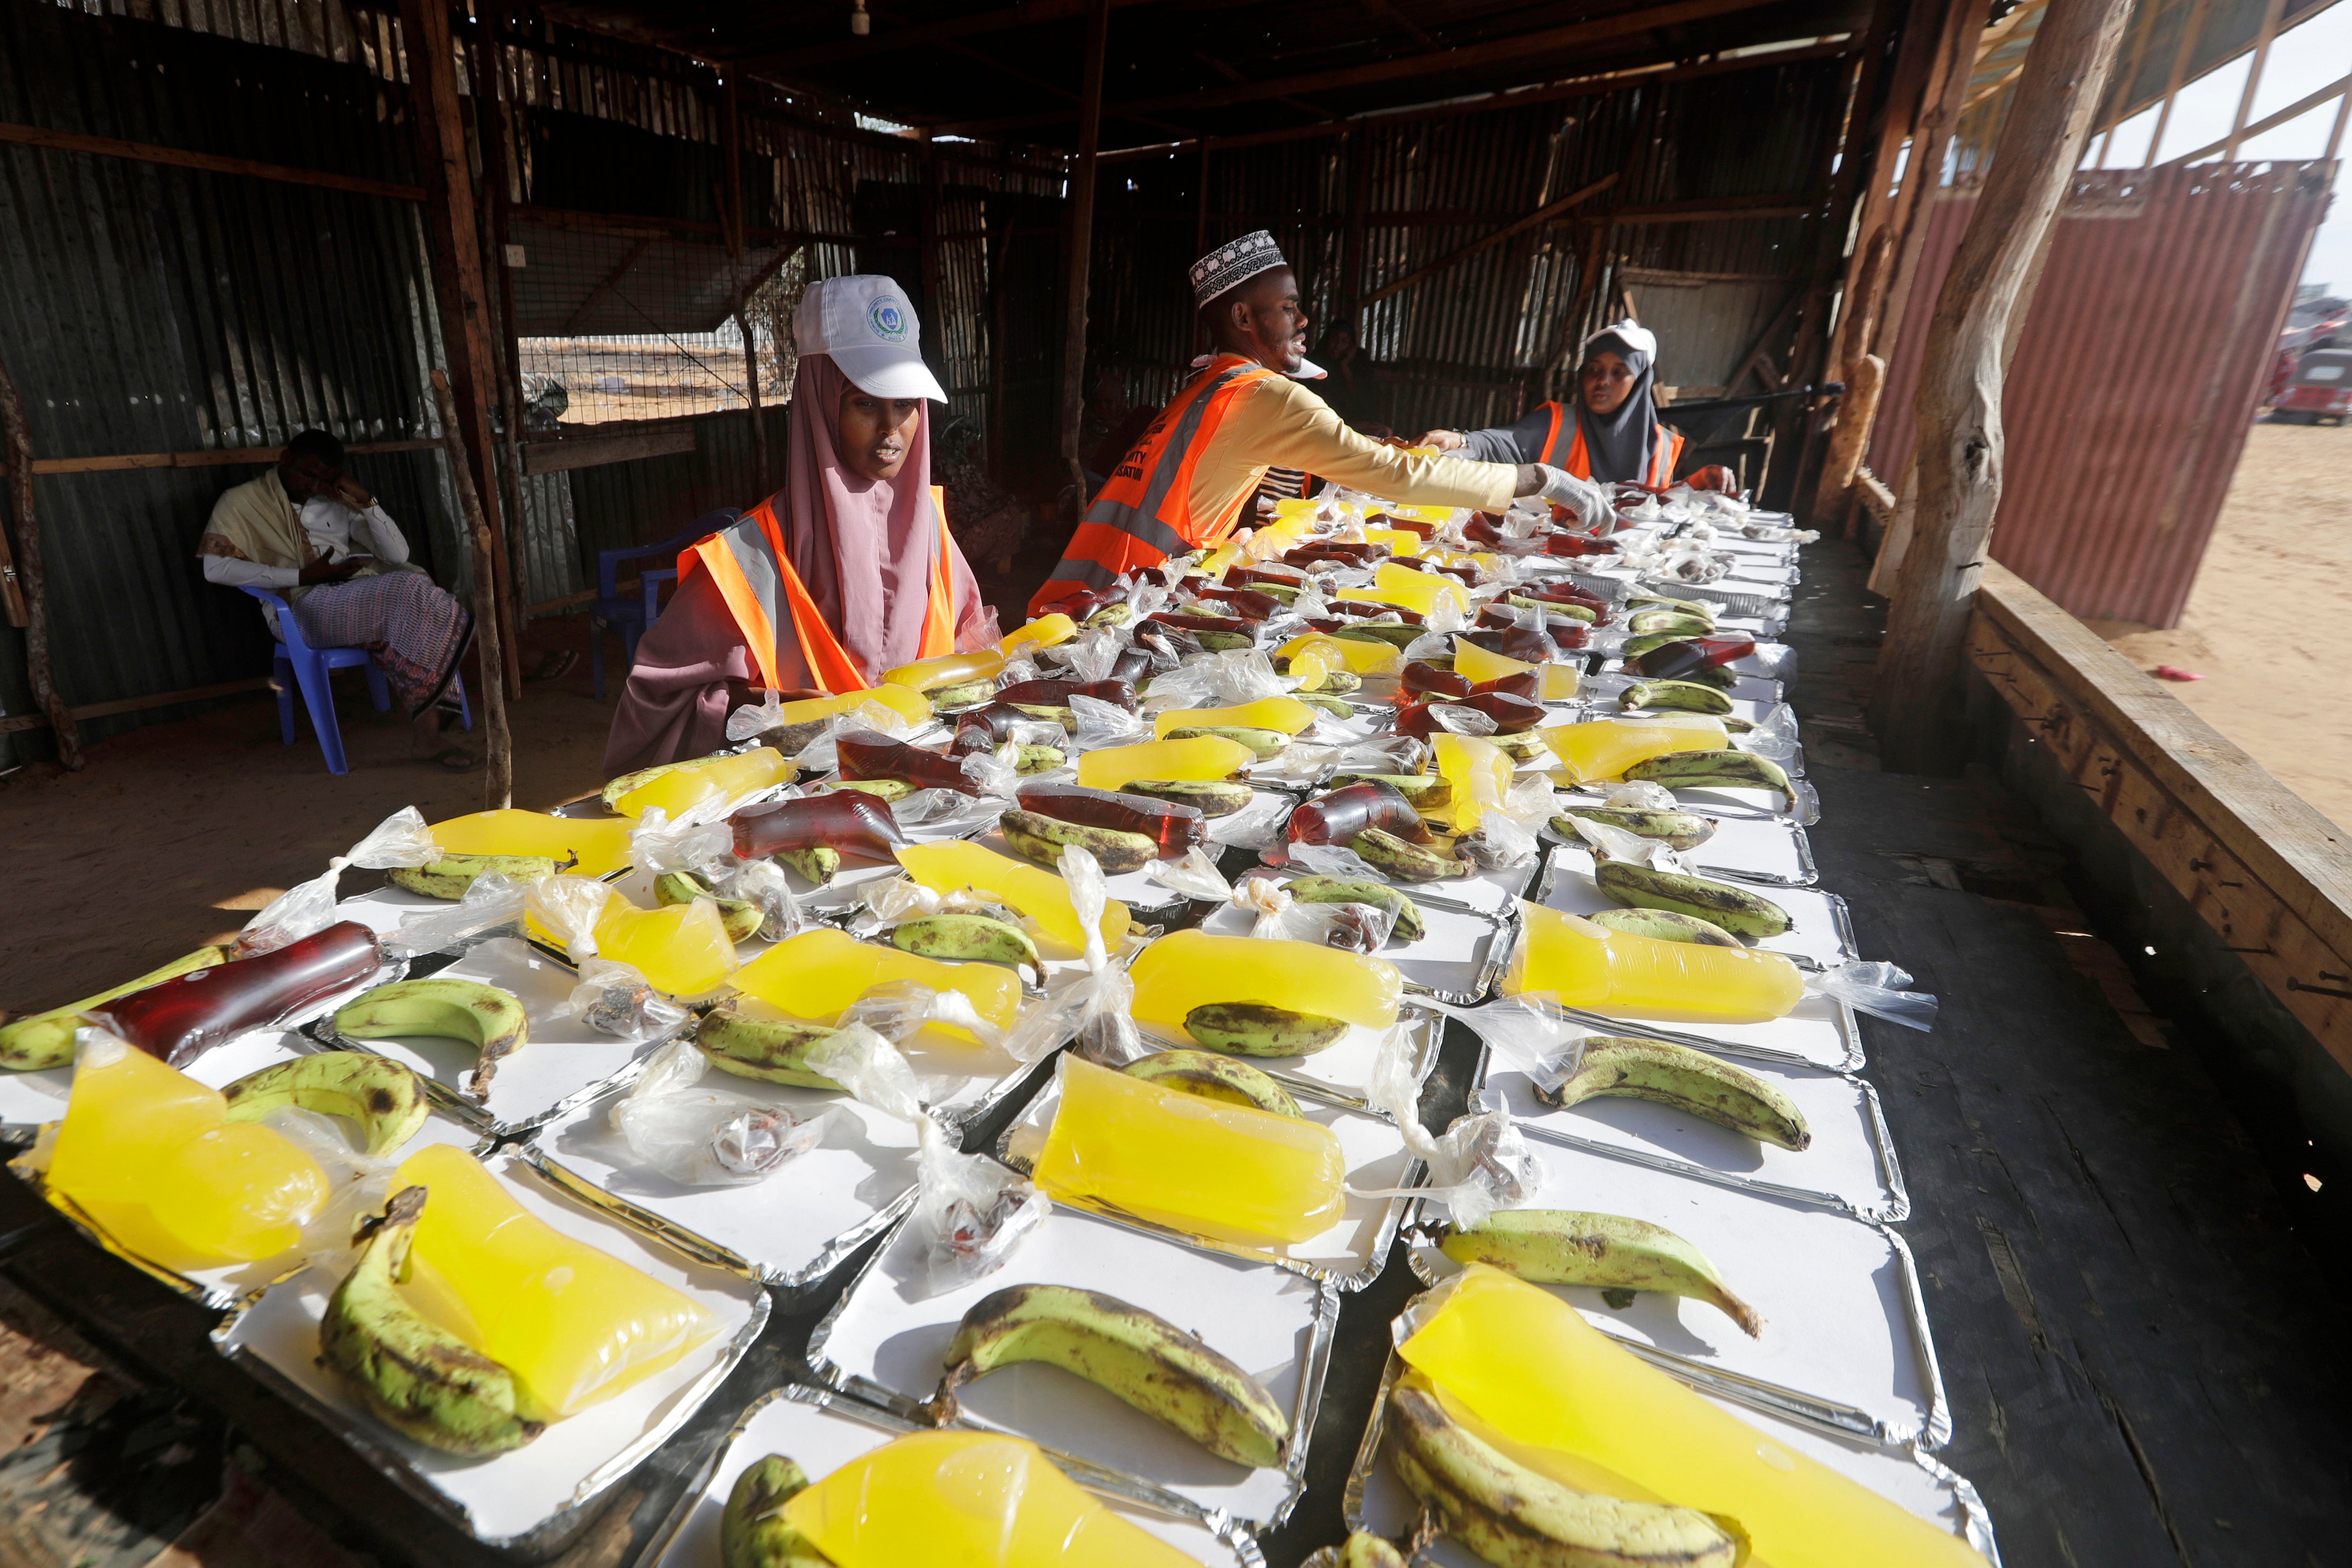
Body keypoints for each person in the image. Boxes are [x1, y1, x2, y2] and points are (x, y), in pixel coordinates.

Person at [1031, 231, 1608, 613]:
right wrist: (1535, 480)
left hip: (1080, 597)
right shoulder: (1268, 396)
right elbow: (1390, 475)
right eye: (1288, 306)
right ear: (1242, 317)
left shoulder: (1206, 387)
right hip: (1121, 608)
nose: (1304, 318)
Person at [604, 275, 995, 777]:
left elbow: (974, 655)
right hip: (793, 826)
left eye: (906, 404)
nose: (892, 428)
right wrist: (770, 716)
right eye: (865, 402)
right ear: (818, 403)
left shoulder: (936, 543)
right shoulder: (747, 562)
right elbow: (655, 712)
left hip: (927, 805)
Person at [198, 430, 476, 770]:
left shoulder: (335, 502)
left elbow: (397, 552)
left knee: (417, 593)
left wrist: (369, 503)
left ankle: (428, 731)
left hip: (353, 595)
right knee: (411, 592)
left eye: (326, 479)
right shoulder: (242, 501)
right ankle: (435, 710)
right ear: (286, 459)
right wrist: (302, 577)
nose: (315, 486)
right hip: (299, 608)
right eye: (308, 474)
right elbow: (215, 569)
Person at [1416, 322, 1740, 493]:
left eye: (1619, 372)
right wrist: (1462, 441)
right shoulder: (1557, 423)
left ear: (1640, 382)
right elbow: (1505, 442)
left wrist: (1695, 484)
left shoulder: (1662, 446)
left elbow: (1655, 509)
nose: (1603, 382)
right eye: (1594, 370)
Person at [1313, 323, 1386, 434]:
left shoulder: (1359, 362)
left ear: (1351, 346)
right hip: (1326, 421)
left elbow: (1363, 400)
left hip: (1355, 420)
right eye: (1335, 340)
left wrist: (1345, 366)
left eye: (1344, 342)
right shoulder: (1317, 361)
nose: (1338, 346)